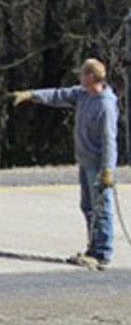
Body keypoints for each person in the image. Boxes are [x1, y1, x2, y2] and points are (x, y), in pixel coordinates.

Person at [8, 58, 118, 270]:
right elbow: (59, 95)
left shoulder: (105, 105)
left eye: (83, 74)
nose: (79, 77)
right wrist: (31, 95)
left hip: (98, 165)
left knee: (101, 208)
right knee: (87, 207)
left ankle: (102, 253)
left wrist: (107, 170)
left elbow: (109, 140)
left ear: (92, 77)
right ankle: (92, 249)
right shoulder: (83, 94)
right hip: (85, 161)